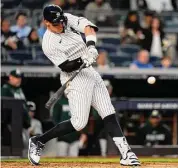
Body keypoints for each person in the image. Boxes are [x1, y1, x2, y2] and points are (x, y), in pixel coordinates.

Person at [28, 5, 140, 166]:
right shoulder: (48, 43)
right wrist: (82, 60)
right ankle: (39, 141)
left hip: (90, 73)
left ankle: (126, 153)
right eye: (55, 23)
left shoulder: (65, 18)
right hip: (74, 78)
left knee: (108, 112)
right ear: (46, 22)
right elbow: (66, 66)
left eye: (60, 21)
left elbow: (88, 27)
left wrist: (91, 47)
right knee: (79, 123)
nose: (60, 25)